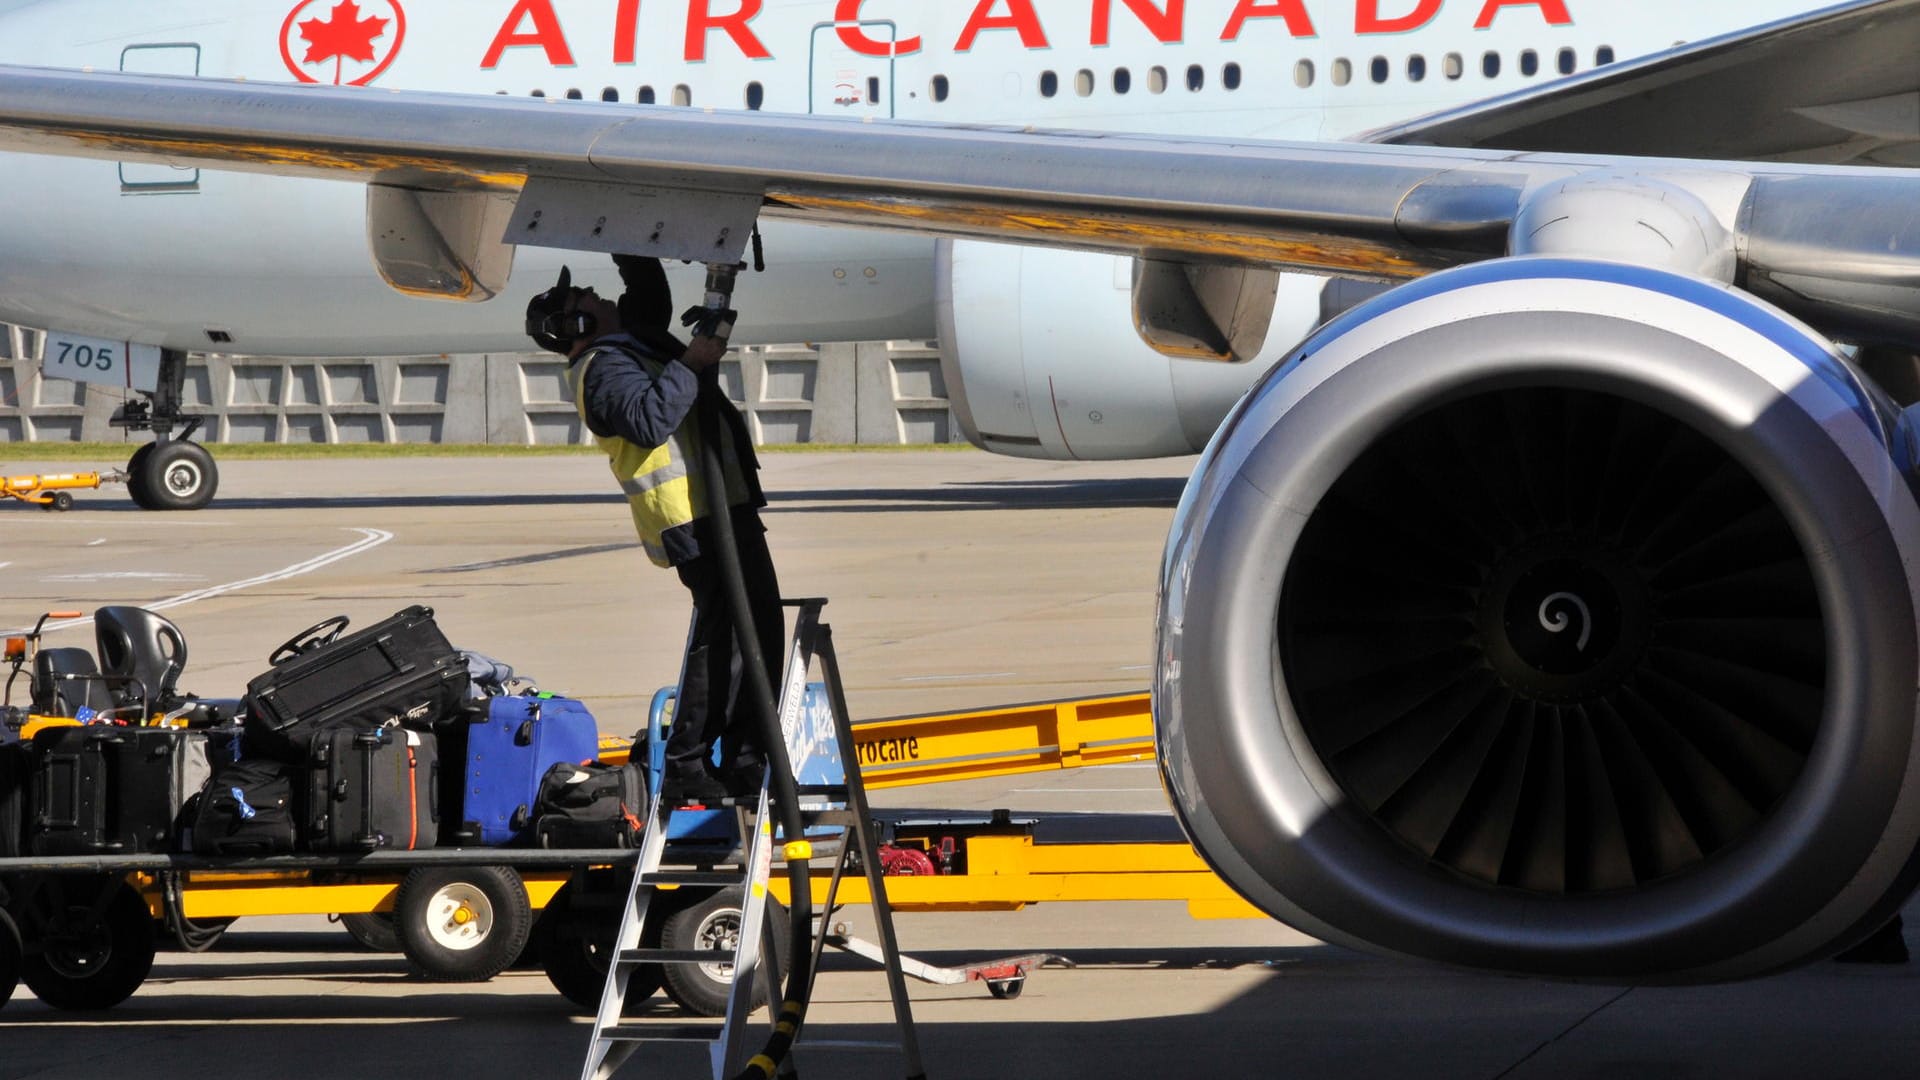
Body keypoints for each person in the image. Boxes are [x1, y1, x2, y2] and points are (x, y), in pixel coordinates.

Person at [525, 259, 783, 803]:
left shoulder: (629, 337)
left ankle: (743, 754)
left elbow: (646, 285)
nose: (595, 293)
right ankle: (690, 760)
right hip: (694, 516)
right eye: (582, 301)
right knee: (728, 640)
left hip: (720, 507)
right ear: (573, 330)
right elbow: (646, 422)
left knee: (755, 632)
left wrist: (634, 230)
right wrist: (692, 362)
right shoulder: (603, 369)